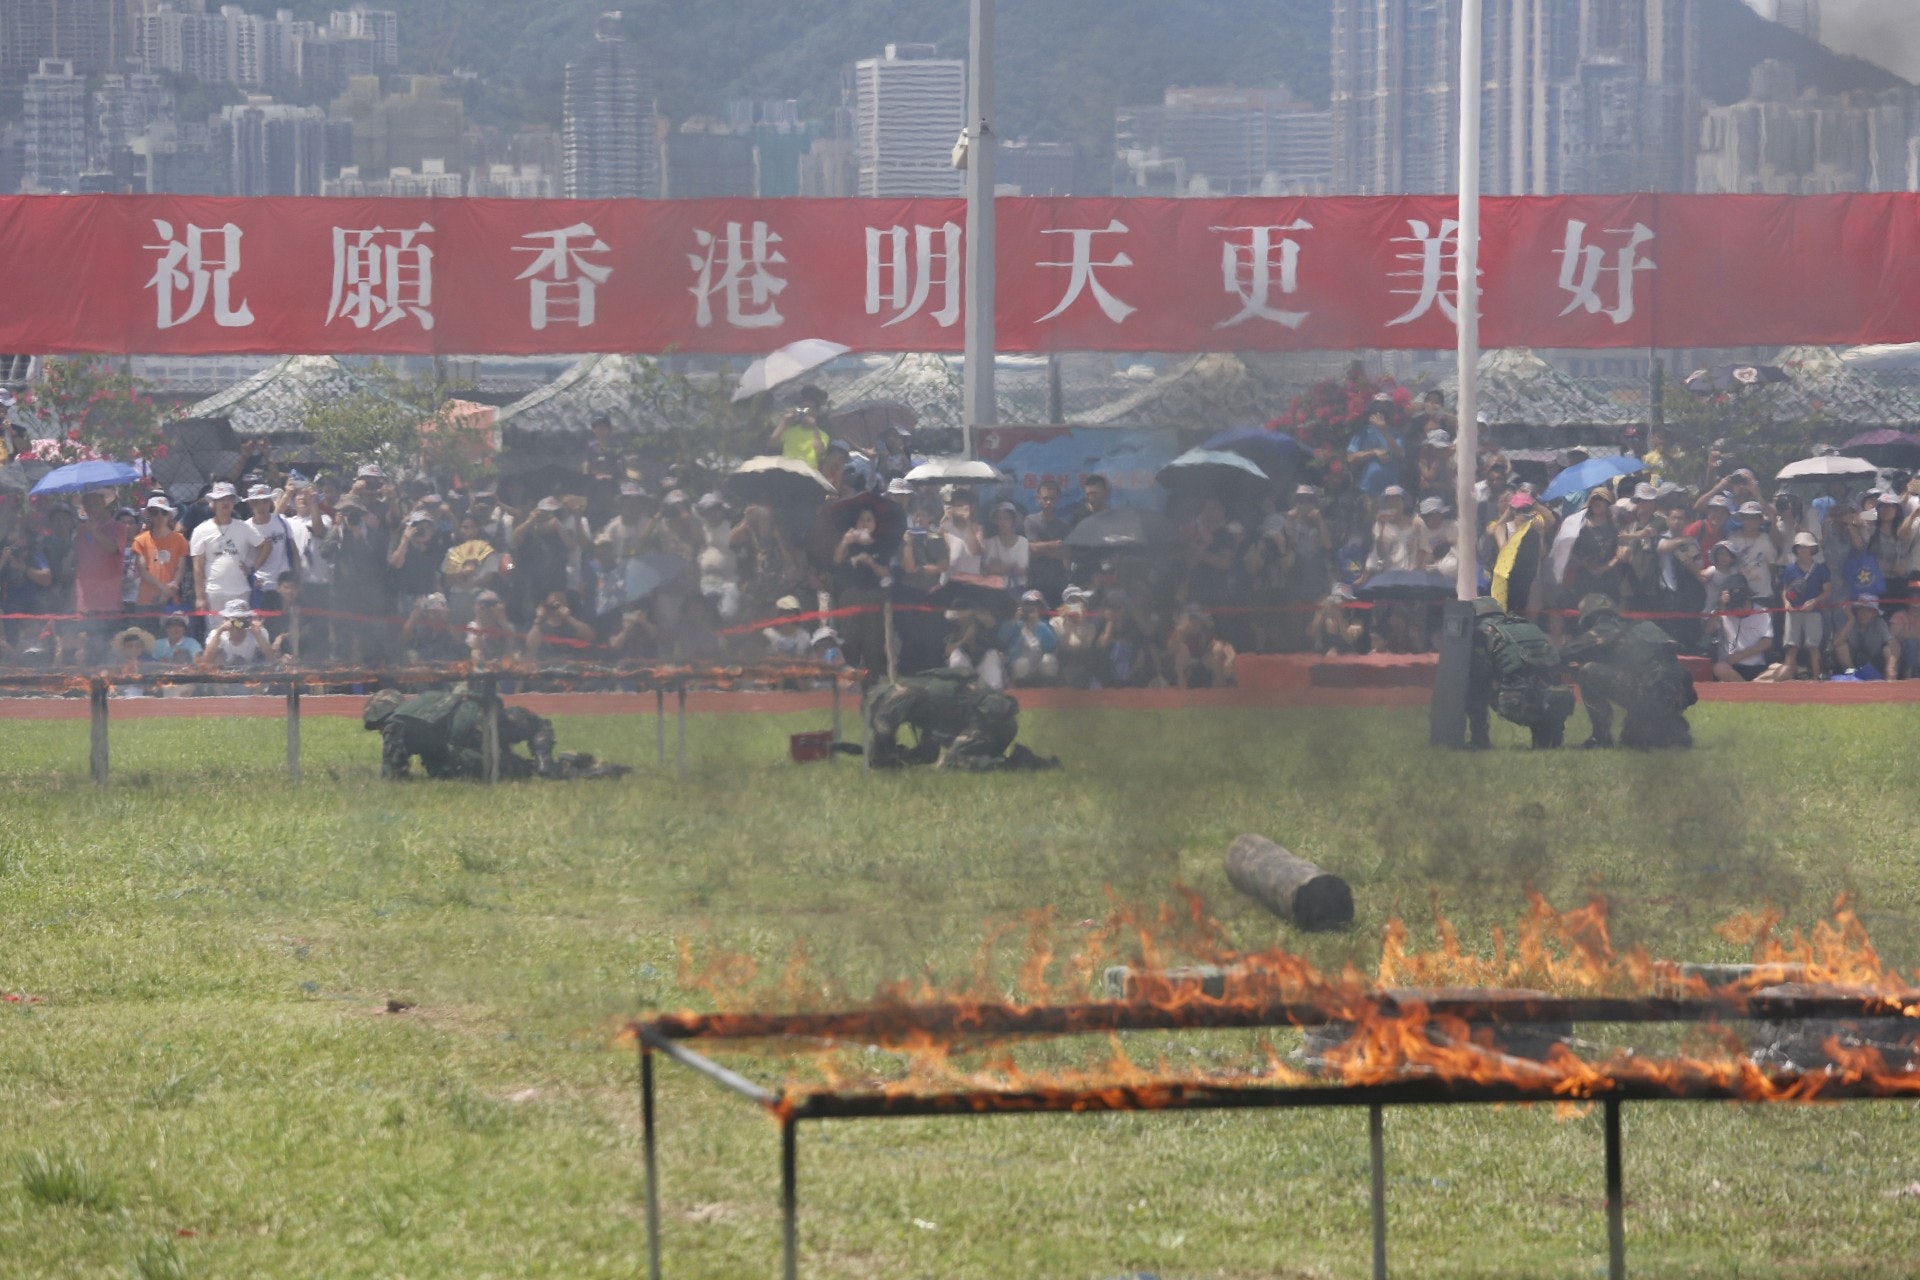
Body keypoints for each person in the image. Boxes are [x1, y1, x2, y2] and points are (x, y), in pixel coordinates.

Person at [362, 684, 625, 781]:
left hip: (469, 746)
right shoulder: (428, 698)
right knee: (536, 725)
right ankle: (553, 763)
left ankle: (550, 769)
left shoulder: (397, 723)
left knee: (524, 771)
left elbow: (393, 774)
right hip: (484, 714)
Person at [1561, 594, 1697, 750]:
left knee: (1587, 671)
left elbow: (1565, 653)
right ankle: (1668, 730)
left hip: (1649, 692)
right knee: (1632, 737)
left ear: (1588, 617)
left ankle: (1600, 739)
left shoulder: (1604, 629)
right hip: (1678, 695)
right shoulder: (1641, 626)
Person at [862, 668, 1058, 771]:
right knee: (947, 762)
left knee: (950, 766)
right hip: (980, 720)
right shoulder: (914, 694)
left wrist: (888, 757)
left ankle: (1017, 763)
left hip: (991, 723)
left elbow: (883, 732)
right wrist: (906, 759)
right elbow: (929, 750)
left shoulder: (904, 696)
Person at [1465, 596, 1573, 749]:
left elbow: (1480, 673)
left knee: (1473, 686)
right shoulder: (1525, 624)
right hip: (1554, 699)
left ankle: (1479, 740)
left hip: (1519, 701)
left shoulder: (1482, 631)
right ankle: (1546, 738)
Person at [190, 482, 262, 626]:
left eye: (229, 499)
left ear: (234, 502)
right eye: (220, 499)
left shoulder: (244, 527)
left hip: (240, 590)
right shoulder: (201, 530)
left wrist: (252, 566)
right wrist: (200, 597)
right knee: (215, 633)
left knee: (241, 629)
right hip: (214, 592)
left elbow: (265, 545)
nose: (225, 503)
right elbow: (197, 566)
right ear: (213, 503)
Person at [1768, 532, 1830, 681]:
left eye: (1806, 547)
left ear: (1811, 550)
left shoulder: (1820, 569)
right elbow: (1785, 589)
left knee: (1813, 646)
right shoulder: (1790, 569)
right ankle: (1788, 676)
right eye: (1800, 548)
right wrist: (1786, 602)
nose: (1802, 550)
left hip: (1813, 611)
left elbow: (1827, 591)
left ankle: (1816, 677)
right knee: (1792, 646)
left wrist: (1814, 601)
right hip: (1794, 611)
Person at [130, 495, 190, 623]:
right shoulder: (140, 540)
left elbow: (181, 568)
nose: (159, 516)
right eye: (155, 512)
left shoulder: (180, 539)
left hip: (170, 598)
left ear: (169, 515)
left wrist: (172, 587)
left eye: (164, 512)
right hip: (146, 599)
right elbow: (143, 571)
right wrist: (164, 588)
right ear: (149, 515)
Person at [1710, 577, 1772, 682]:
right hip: (1731, 667)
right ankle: (1750, 687)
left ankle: (1749, 686)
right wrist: (1721, 607)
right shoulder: (1723, 611)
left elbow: (1767, 642)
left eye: (1743, 605)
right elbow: (1709, 630)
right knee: (1719, 668)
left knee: (1781, 668)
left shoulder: (1762, 612)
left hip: (1756, 667)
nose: (1740, 609)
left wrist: (1740, 655)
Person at [998, 590, 1059, 685]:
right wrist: (1014, 620)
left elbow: (1051, 646)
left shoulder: (1044, 625)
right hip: (1018, 665)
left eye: (1036, 605)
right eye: (1028, 605)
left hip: (1039, 664)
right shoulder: (1013, 623)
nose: (1032, 608)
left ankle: (1047, 691)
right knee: (1022, 663)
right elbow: (1002, 640)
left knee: (1049, 660)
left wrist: (1037, 624)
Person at [200, 598, 275, 670]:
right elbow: (207, 661)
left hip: (251, 672)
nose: (239, 624)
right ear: (225, 620)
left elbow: (271, 659)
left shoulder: (259, 632)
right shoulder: (216, 634)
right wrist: (219, 632)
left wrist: (258, 635)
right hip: (224, 674)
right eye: (235, 620)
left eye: (242, 620)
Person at [1835, 595, 1899, 679]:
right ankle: (1850, 677)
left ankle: (1890, 681)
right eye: (1860, 609)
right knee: (1841, 647)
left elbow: (1893, 644)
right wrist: (1851, 620)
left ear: (1874, 613)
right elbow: (1837, 643)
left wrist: (1891, 666)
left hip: (1876, 662)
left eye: (1867, 610)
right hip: (1852, 664)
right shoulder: (1850, 622)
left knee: (1888, 649)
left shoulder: (1879, 623)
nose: (1863, 613)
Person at [766, 386, 830, 468]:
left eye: (809, 408)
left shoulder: (822, 435)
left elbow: (820, 453)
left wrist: (814, 427)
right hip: (788, 470)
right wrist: (784, 423)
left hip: (807, 473)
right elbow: (771, 444)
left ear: (817, 412)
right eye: (803, 408)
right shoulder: (790, 430)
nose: (806, 411)